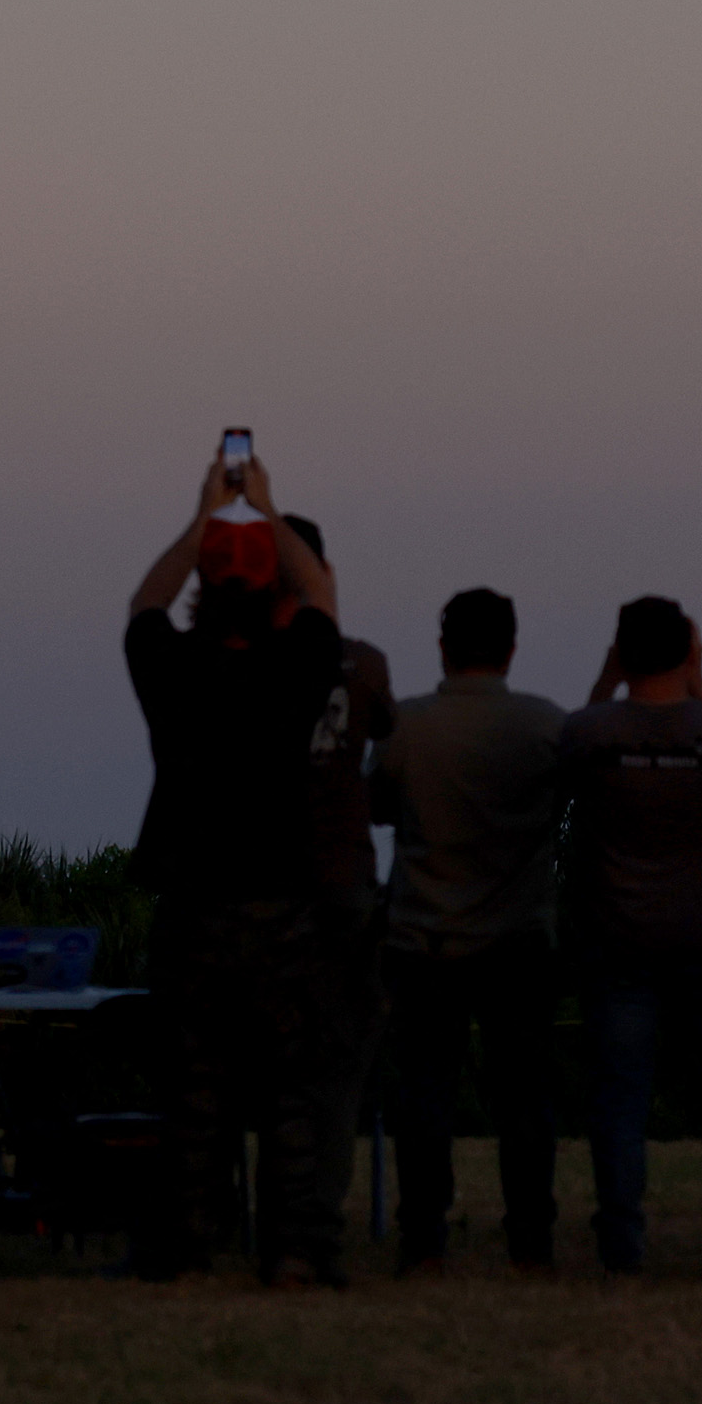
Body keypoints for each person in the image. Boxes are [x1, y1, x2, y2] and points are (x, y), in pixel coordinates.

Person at [121, 450, 353, 1286]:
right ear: (269, 593)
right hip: (288, 904)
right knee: (294, 1094)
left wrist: (201, 519)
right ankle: (295, 1255)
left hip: (194, 906)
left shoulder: (171, 669)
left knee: (194, 1093)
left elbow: (144, 602)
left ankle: (182, 1250)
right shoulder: (297, 666)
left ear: (205, 590)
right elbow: (321, 594)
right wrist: (269, 506)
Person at [560, 594, 702, 1280]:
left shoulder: (591, 732)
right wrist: (699, 680)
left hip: (617, 940)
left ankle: (622, 1245)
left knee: (620, 1099)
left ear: (622, 652)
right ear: (686, 649)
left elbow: (568, 745)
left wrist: (605, 679)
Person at [370, 587, 564, 1276]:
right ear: (512, 647)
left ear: (443, 645)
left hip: (425, 940)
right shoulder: (545, 726)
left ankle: (424, 1239)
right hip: (518, 941)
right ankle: (531, 1241)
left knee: (424, 1097)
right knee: (524, 1100)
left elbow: (377, 802)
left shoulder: (407, 725)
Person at [275, 516, 395, 1270]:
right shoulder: (365, 662)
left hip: (261, 878)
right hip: (344, 878)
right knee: (336, 1062)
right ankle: (316, 1217)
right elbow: (382, 727)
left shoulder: (235, 659)